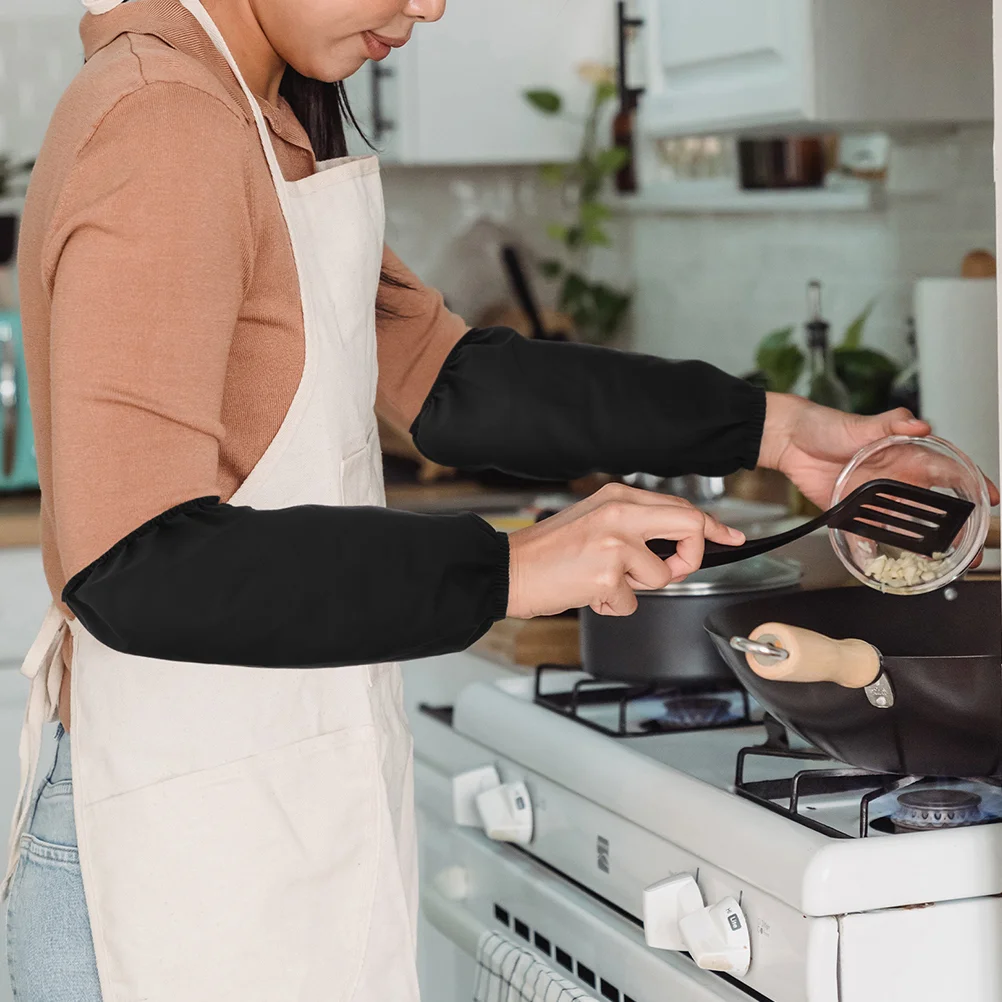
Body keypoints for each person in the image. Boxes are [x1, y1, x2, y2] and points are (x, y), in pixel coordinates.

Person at [5, 1, 936, 1000]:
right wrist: (513, 566)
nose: (432, 5)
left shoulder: (250, 109)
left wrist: (769, 428)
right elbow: (132, 564)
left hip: (248, 807)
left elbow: (447, 380)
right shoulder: (164, 119)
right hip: (165, 863)